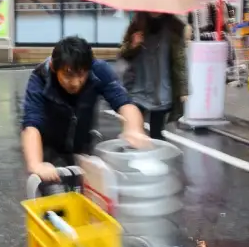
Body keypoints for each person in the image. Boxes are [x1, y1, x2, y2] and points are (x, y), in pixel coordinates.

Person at [21, 36, 148, 182]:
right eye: (68, 75)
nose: (75, 83)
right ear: (53, 67)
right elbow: (31, 124)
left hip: (83, 148)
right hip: (50, 150)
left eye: (82, 74)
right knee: (55, 193)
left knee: (87, 193)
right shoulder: (40, 78)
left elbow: (124, 102)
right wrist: (36, 164)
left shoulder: (99, 70)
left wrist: (133, 129)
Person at [119, 12, 189, 139]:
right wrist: (133, 45)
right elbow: (123, 54)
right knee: (134, 130)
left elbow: (180, 60)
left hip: (162, 88)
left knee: (156, 133)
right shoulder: (137, 24)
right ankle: (136, 156)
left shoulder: (173, 27)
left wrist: (183, 88)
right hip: (138, 86)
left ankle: (156, 157)